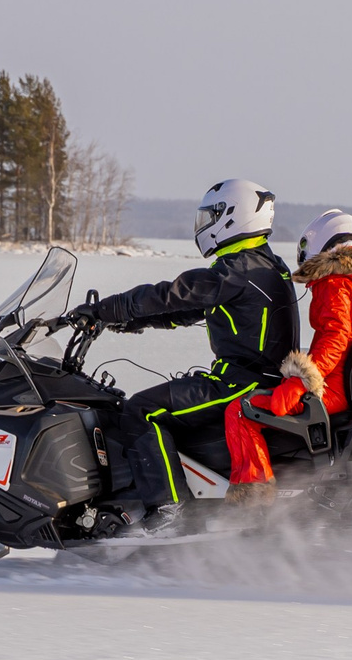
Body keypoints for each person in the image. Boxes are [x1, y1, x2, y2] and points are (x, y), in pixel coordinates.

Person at [64, 178, 295, 516]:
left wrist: (104, 310)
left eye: (210, 217)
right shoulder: (260, 264)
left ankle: (168, 510)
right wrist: (130, 322)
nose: (204, 225)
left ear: (232, 216)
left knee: (142, 411)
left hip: (240, 384)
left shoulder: (240, 269)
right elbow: (189, 309)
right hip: (254, 378)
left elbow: (170, 294)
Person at [224, 210, 352, 501]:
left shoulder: (334, 281)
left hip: (330, 388)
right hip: (348, 385)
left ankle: (252, 498)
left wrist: (300, 383)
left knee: (241, 411)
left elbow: (335, 339)